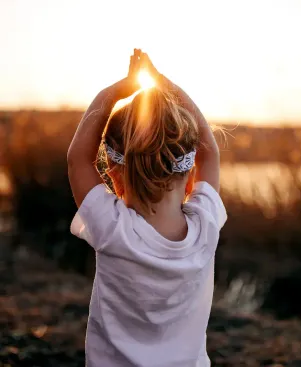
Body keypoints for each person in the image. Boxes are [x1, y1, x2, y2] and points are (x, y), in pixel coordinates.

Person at [67, 49, 226, 367]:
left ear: (112, 172)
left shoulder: (112, 228)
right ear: (190, 172)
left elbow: (77, 158)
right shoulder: (206, 224)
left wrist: (115, 92)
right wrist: (167, 86)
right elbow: (210, 153)